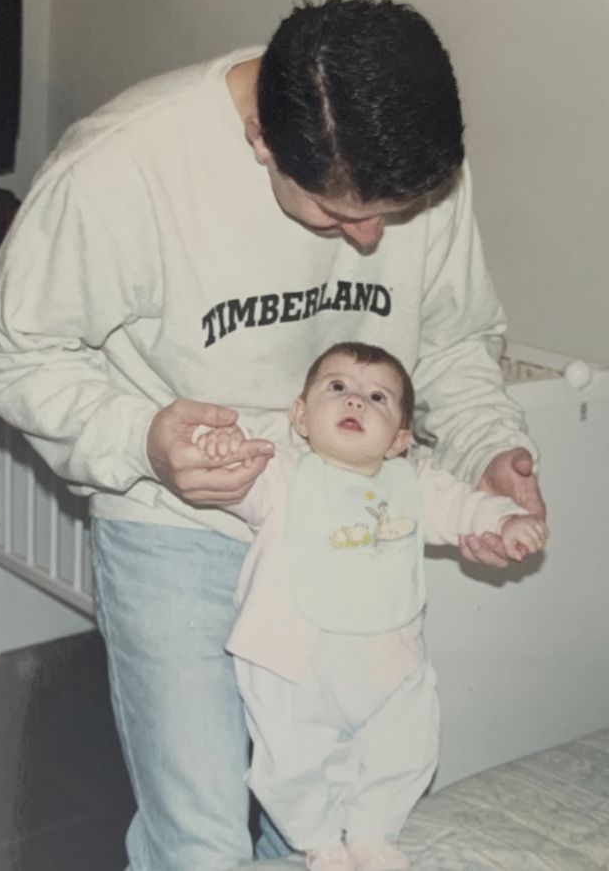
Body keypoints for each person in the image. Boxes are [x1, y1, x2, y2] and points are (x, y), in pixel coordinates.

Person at [0, 0, 546, 869]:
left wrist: (487, 448)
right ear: (261, 139)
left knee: (320, 823)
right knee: (200, 838)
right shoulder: (122, 167)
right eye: (336, 213)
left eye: (396, 210)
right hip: (174, 522)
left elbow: (454, 338)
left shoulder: (403, 159)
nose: (371, 237)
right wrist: (141, 438)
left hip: (349, 535)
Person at [193, 342, 548, 871]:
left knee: (408, 742)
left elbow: (462, 505)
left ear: (401, 438)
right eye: (337, 388)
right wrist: (214, 446)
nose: (355, 401)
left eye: (377, 397)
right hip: (295, 659)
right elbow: (226, 477)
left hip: (387, 656)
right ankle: (318, 840)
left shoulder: (412, 484)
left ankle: (372, 832)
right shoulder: (282, 476)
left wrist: (503, 519)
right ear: (300, 416)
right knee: (290, 759)